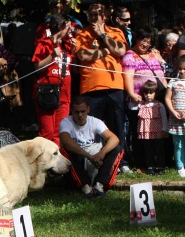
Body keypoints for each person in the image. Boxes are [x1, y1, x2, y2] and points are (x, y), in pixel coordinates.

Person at [75, 2, 129, 174]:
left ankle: (120, 162)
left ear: (105, 16)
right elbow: (83, 55)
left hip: (114, 87)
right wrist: (106, 52)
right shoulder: (82, 34)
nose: (94, 17)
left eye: (97, 14)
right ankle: (94, 162)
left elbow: (120, 51)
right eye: (91, 14)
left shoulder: (116, 32)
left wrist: (103, 35)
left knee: (116, 126)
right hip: (91, 88)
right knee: (92, 130)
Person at [122, 27, 167, 173]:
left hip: (156, 101)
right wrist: (132, 94)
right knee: (139, 134)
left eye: (148, 42)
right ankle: (141, 163)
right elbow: (127, 76)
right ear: (137, 39)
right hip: (139, 102)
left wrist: (167, 95)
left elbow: (161, 76)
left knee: (157, 134)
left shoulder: (153, 55)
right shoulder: (130, 55)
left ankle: (158, 163)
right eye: (143, 41)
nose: (146, 45)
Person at [60, 96, 123, 198]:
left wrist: (102, 153)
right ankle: (85, 186)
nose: (80, 115)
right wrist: (89, 156)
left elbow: (114, 139)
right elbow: (66, 141)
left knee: (116, 148)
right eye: (76, 112)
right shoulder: (66, 122)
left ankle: (99, 184)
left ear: (88, 109)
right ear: (71, 111)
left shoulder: (95, 121)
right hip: (79, 157)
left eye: (83, 111)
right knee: (65, 150)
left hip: (94, 156)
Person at [32, 13, 73, 146]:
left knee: (60, 133)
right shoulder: (44, 43)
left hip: (64, 95)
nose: (71, 30)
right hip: (47, 92)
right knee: (47, 132)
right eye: (68, 27)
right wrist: (52, 56)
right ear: (61, 27)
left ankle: (58, 163)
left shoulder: (67, 46)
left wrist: (75, 50)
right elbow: (36, 67)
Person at [137, 80, 168, 175]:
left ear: (156, 93)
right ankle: (150, 167)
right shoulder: (141, 105)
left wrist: (164, 129)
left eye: (151, 93)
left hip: (158, 131)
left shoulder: (159, 105)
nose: (148, 95)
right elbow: (131, 106)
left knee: (159, 150)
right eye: (146, 93)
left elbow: (164, 117)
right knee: (148, 150)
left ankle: (160, 167)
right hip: (146, 132)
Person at [165, 55, 185, 178]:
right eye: (180, 69)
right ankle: (180, 165)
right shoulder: (173, 82)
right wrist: (172, 112)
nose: (182, 71)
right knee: (178, 144)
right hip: (175, 120)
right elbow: (167, 98)